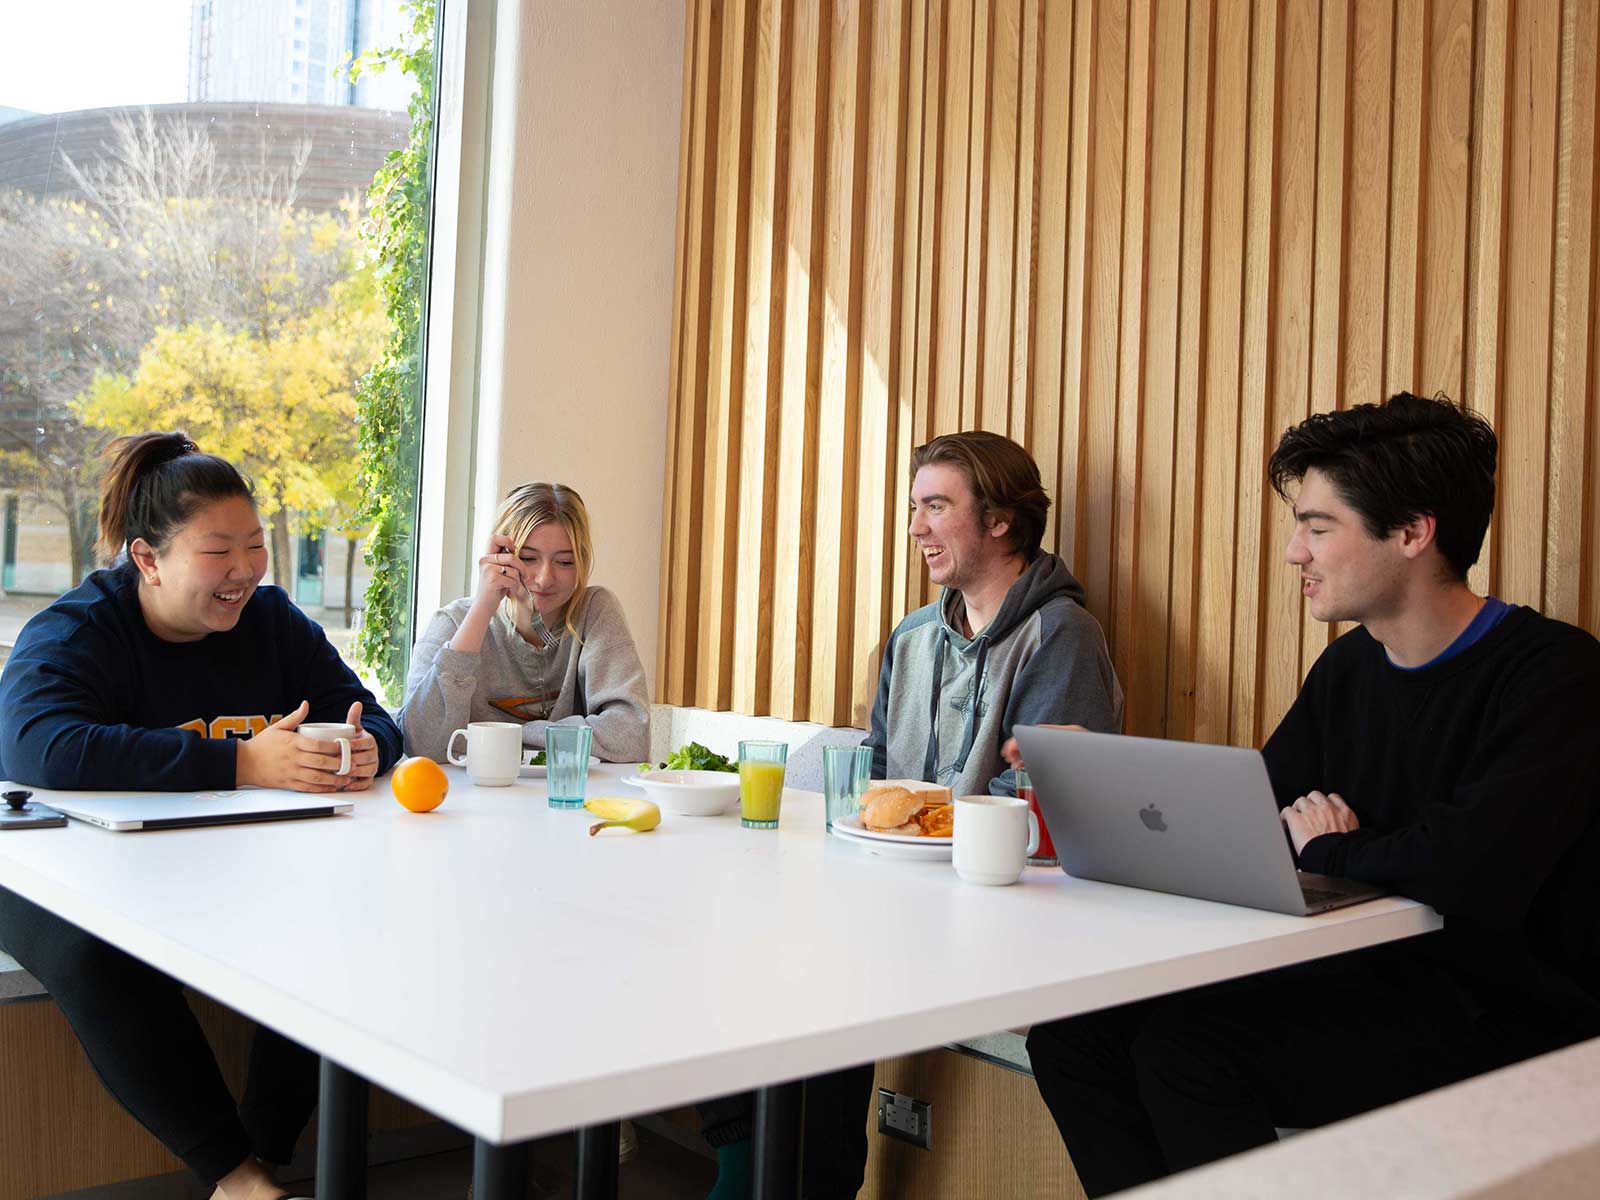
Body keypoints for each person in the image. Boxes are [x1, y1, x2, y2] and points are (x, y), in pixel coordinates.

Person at [1020, 393, 1600, 1196]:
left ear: (1412, 532)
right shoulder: (1351, 667)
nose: (1295, 552)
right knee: (1071, 1037)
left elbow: (1472, 871)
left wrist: (1332, 846)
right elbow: (1259, 812)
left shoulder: (1555, 674)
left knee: (1188, 1051)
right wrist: (1108, 775)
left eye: (1319, 527)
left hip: (1501, 1007)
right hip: (1362, 972)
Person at [0, 431, 404, 1200]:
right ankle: (239, 1178)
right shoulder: (78, 631)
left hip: (212, 861)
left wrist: (364, 750)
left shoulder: (272, 621)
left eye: (254, 546)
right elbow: (34, 746)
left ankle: (262, 1163)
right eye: (219, 551)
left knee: (335, 917)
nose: (245, 570)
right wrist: (241, 762)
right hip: (46, 864)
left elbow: (375, 716)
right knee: (95, 951)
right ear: (147, 560)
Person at [720, 431, 1124, 1200]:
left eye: (936, 507)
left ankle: (786, 1181)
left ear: (1001, 520)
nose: (915, 528)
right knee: (750, 935)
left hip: (1000, 911)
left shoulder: (1060, 635)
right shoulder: (911, 638)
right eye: (914, 508)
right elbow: (874, 777)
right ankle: (767, 1171)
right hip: (896, 895)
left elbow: (1042, 817)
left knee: (809, 965)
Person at [401, 482, 650, 765]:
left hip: (568, 792)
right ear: (500, 557)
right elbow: (421, 744)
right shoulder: (453, 622)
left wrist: (498, 738)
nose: (545, 578)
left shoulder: (595, 611)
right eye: (528, 558)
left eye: (565, 562)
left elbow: (631, 738)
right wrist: (483, 607)